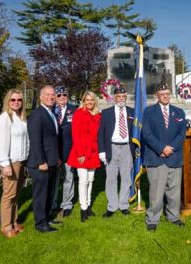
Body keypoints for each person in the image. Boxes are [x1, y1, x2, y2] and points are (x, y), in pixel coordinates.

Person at [143, 83, 186, 230]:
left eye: (167, 93)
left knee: (174, 190)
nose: (165, 96)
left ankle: (173, 216)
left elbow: (182, 134)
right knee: (156, 191)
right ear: (157, 95)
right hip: (157, 156)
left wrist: (170, 148)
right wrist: (161, 148)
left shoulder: (179, 112)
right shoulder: (148, 112)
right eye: (162, 94)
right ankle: (153, 219)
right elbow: (147, 133)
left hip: (174, 156)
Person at [27, 85, 61, 233]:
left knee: (50, 192)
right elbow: (35, 140)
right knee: (41, 194)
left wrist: (57, 158)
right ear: (41, 97)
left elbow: (53, 139)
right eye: (47, 95)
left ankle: (46, 218)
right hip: (41, 163)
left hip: (52, 161)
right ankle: (40, 223)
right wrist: (41, 161)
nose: (51, 97)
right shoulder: (37, 114)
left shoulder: (51, 113)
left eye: (53, 95)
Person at [0, 89, 29, 238]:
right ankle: (5, 225)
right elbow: (1, 142)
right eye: (13, 100)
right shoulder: (5, 118)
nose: (16, 102)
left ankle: (14, 221)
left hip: (22, 160)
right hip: (11, 161)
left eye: (19, 100)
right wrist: (5, 164)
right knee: (8, 195)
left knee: (16, 194)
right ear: (7, 101)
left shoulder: (21, 117)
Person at [98, 85, 135, 218]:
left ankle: (124, 205)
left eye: (123, 97)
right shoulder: (106, 112)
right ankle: (112, 206)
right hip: (111, 147)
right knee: (111, 178)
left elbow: (136, 132)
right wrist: (102, 151)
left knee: (126, 178)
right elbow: (101, 133)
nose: (121, 99)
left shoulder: (132, 111)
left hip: (126, 147)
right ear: (114, 98)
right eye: (118, 96)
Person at [67, 91, 102, 222]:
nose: (89, 102)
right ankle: (83, 209)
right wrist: (80, 153)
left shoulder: (98, 115)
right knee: (83, 180)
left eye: (92, 100)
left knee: (91, 179)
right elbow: (75, 134)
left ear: (95, 101)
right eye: (87, 100)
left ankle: (88, 207)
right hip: (80, 151)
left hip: (93, 151)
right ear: (83, 101)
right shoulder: (78, 113)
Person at [55, 86, 78, 218]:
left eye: (64, 94)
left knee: (68, 178)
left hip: (70, 150)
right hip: (54, 151)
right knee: (54, 179)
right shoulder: (50, 109)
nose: (62, 97)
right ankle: (52, 203)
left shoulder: (74, 110)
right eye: (59, 95)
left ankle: (67, 204)